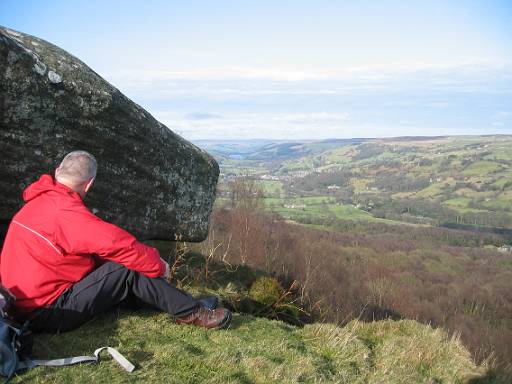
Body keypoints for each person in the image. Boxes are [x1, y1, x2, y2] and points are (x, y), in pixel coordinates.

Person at [0, 150, 231, 332]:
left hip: (20, 305)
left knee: (118, 268)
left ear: (57, 170)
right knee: (127, 267)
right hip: (46, 312)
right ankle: (194, 313)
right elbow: (118, 245)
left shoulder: (39, 203)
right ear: (89, 184)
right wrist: (159, 265)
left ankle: (186, 304)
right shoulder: (65, 212)